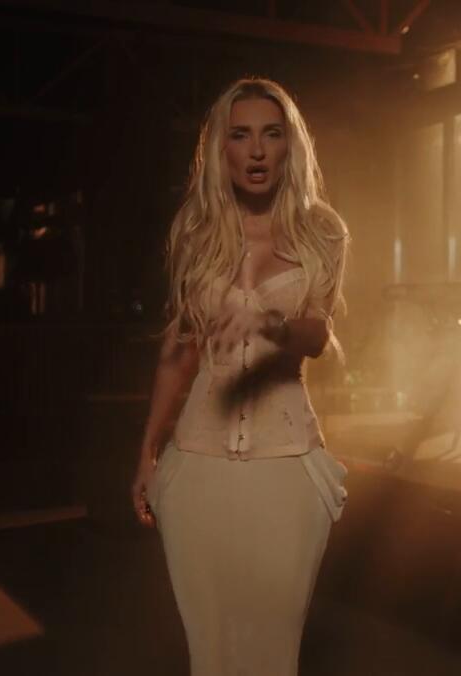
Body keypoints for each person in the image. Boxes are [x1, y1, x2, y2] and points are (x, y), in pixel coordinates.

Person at [130, 77, 350, 676]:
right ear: (220, 149)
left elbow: (318, 335)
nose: (256, 151)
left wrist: (272, 323)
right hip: (195, 466)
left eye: (271, 135)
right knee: (210, 653)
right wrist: (147, 451)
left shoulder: (323, 232)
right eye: (241, 135)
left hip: (287, 467)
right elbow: (179, 350)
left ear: (288, 147)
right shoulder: (194, 234)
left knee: (273, 654)